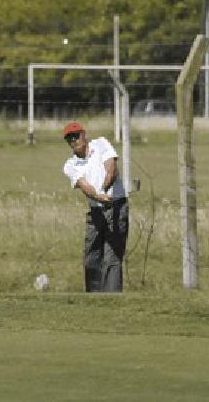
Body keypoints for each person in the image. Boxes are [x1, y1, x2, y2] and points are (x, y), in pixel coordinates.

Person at [61, 121, 129, 292]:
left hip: (116, 206)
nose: (74, 140)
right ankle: (94, 298)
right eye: (69, 139)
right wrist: (99, 196)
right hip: (95, 210)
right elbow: (85, 186)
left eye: (76, 136)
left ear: (84, 135)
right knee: (91, 256)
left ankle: (112, 299)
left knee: (111, 257)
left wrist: (105, 191)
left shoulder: (101, 143)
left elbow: (111, 169)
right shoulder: (70, 165)